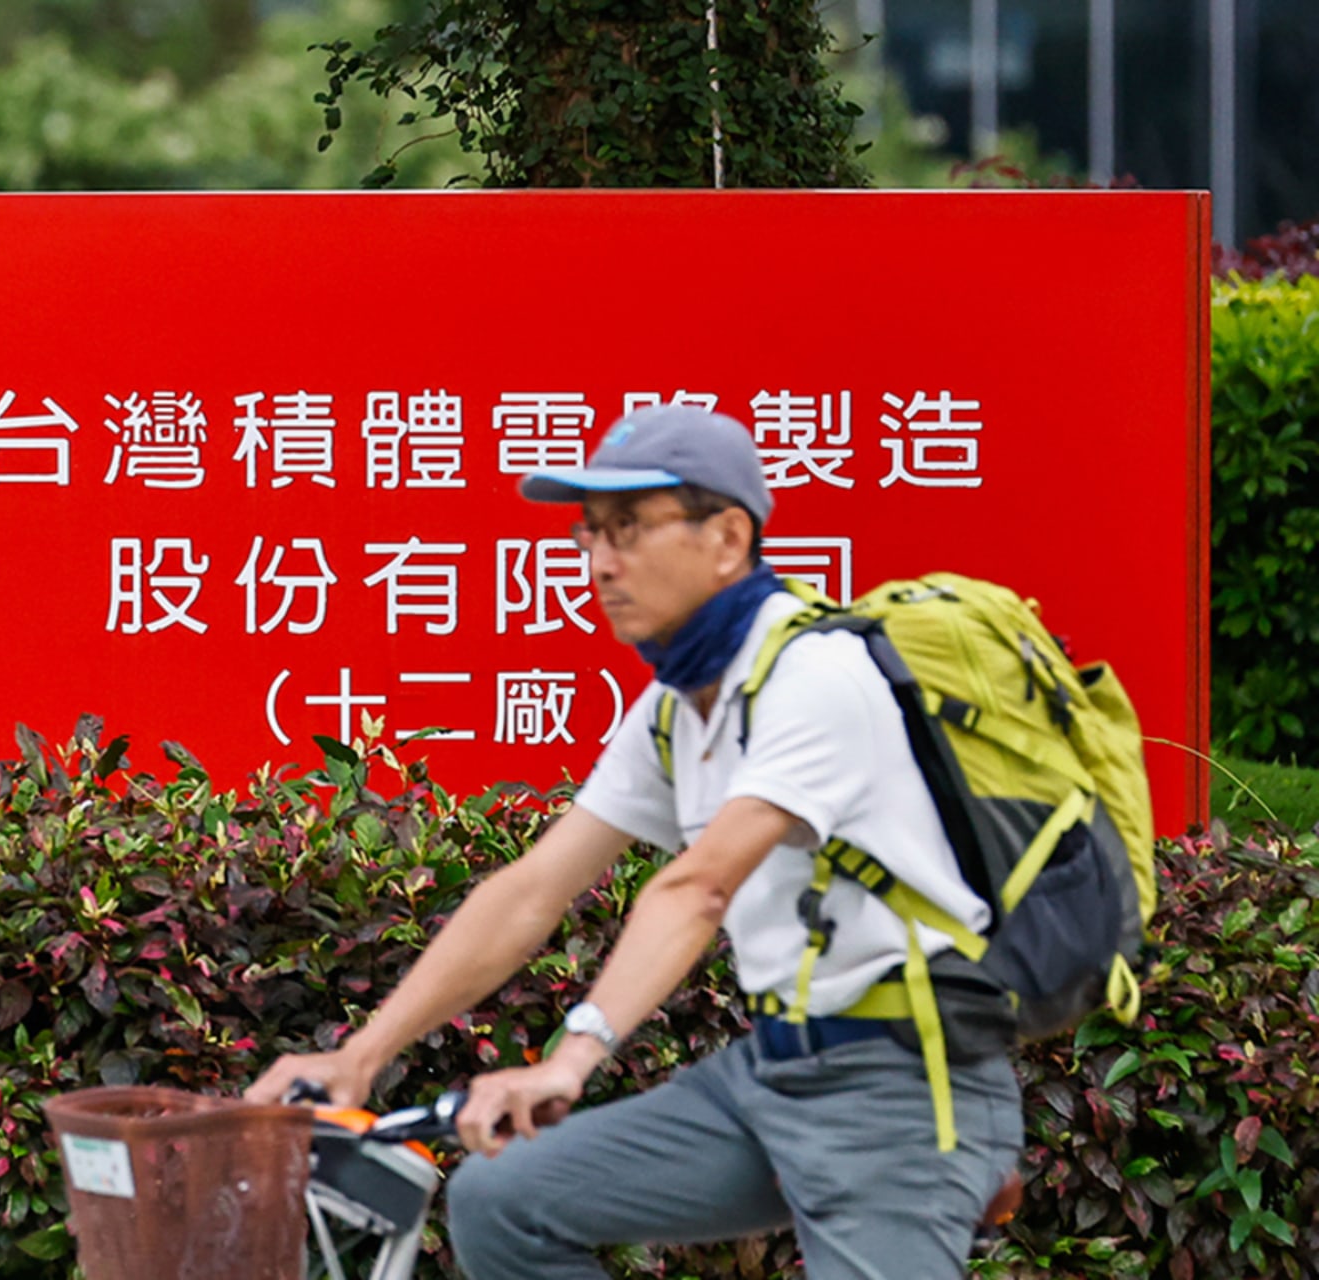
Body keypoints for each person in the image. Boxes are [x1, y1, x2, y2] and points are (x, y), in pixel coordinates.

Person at [246, 404, 1023, 1279]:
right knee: (507, 1201)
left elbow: (698, 887)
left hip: (905, 1089)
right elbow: (534, 889)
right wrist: (360, 1057)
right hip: (775, 1072)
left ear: (729, 538)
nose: (599, 562)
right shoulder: (675, 709)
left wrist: (569, 1061)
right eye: (588, 534)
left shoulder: (817, 677)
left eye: (629, 529)